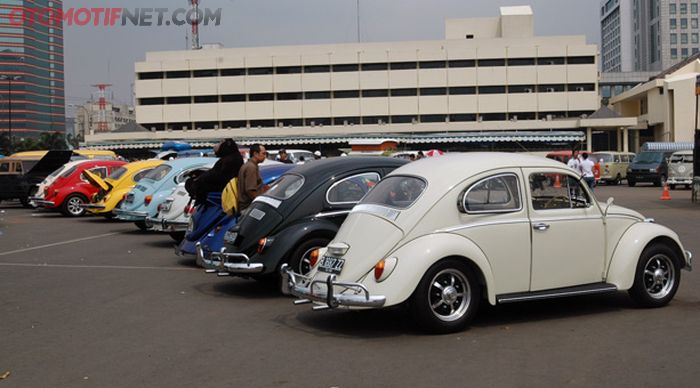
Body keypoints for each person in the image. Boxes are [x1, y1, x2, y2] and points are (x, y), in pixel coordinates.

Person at [186, 138, 243, 205]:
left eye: (220, 143)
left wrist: (201, 178)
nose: (217, 145)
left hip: (224, 189)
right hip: (221, 187)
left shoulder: (231, 159)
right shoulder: (228, 158)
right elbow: (214, 172)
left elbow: (219, 176)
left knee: (195, 183)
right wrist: (199, 174)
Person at [237, 143, 267, 211]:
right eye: (263, 153)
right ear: (255, 154)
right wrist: (261, 203)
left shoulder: (250, 165)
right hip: (249, 208)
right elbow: (250, 191)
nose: (265, 156)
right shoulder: (251, 167)